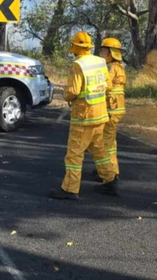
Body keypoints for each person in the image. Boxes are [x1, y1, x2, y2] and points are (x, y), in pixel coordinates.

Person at [49, 32, 119, 200]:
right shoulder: (100, 61)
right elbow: (108, 85)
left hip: (83, 117)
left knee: (74, 153)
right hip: (100, 115)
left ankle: (70, 189)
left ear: (76, 47)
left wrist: (66, 96)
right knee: (99, 150)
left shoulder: (77, 65)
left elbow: (72, 92)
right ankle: (110, 180)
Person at [100, 38, 127, 178]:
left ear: (111, 52)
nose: (101, 52)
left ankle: (109, 173)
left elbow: (107, 86)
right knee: (110, 141)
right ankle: (110, 169)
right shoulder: (119, 67)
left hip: (110, 108)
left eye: (103, 49)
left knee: (105, 142)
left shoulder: (109, 68)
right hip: (117, 108)